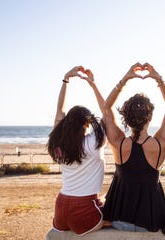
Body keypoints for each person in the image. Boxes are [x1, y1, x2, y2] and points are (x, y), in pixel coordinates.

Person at [102, 63, 165, 236]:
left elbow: (106, 108)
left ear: (126, 120)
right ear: (150, 117)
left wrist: (125, 79)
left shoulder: (119, 143)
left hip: (120, 220)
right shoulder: (160, 143)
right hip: (151, 221)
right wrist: (158, 79)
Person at [47, 66, 106, 235]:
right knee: (112, 199)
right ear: (87, 124)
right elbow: (107, 112)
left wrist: (66, 79)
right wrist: (93, 85)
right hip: (84, 209)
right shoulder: (94, 142)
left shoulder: (58, 142)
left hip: (61, 208)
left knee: (105, 198)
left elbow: (59, 111)